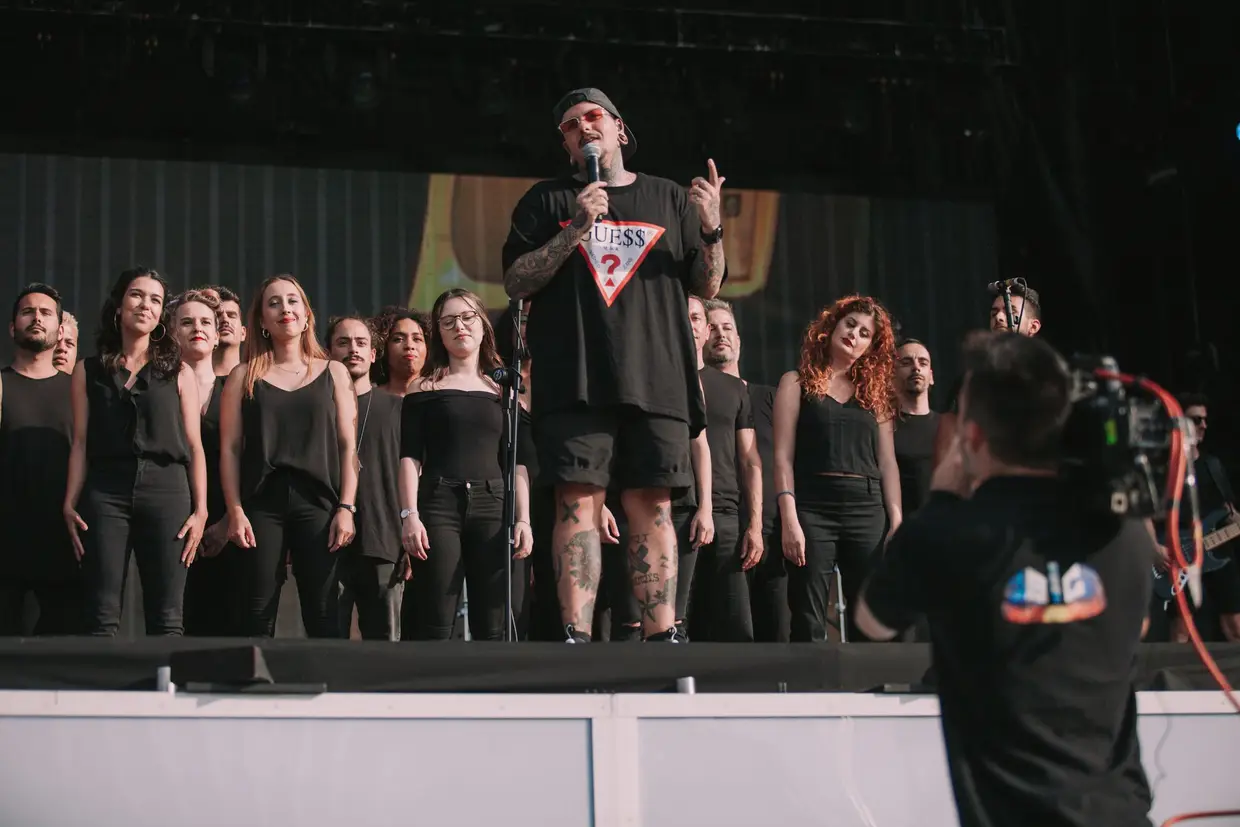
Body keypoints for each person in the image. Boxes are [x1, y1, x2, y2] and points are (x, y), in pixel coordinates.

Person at [857, 331, 1154, 827]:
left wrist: (943, 496)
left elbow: (872, 621)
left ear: (972, 437)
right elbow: (1135, 627)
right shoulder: (1123, 530)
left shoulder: (945, 532)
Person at [502, 87, 726, 642]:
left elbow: (707, 284)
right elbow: (516, 281)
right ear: (565, 145)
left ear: (620, 129)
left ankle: (662, 635)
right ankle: (575, 636)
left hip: (657, 378)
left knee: (653, 503)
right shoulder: (547, 200)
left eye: (593, 117)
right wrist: (578, 227)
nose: (583, 128)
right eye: (570, 126)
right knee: (577, 502)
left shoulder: (668, 197)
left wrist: (712, 229)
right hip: (575, 379)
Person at [64, 267, 209, 636]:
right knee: (101, 616)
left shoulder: (179, 372)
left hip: (167, 489)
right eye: (137, 295)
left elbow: (194, 445)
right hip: (105, 490)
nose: (146, 305)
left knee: (167, 616)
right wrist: (70, 501)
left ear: (161, 315)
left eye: (155, 300)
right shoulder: (87, 370)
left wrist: (201, 510)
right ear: (119, 305)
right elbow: (80, 442)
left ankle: (165, 677)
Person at [219, 274, 358, 638]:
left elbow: (347, 446)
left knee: (325, 613)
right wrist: (235, 510)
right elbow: (230, 449)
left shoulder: (334, 372)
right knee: (256, 613)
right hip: (261, 504)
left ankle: (326, 678)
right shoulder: (242, 376)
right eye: (274, 302)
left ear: (307, 315)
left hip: (320, 503)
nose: (285, 309)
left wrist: (346, 507)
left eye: (293, 300)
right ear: (262, 321)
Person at [399, 289, 534, 640]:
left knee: (494, 623)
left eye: (467, 317)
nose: (459, 326)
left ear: (483, 325)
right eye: (448, 321)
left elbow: (518, 463)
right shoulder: (423, 388)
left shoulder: (504, 391)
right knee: (435, 616)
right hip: (438, 502)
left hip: (494, 504)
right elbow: (410, 457)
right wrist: (409, 515)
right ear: (439, 333)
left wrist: (523, 519)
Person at [773, 295, 902, 642]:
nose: (854, 334)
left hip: (867, 508)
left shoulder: (876, 395)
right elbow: (782, 456)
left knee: (869, 618)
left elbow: (888, 462)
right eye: (850, 324)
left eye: (864, 333)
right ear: (832, 326)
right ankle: (811, 679)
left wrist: (896, 519)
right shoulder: (795, 383)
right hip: (813, 506)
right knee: (808, 618)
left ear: (871, 347)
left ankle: (869, 679)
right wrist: (789, 518)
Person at [703, 298, 789, 642]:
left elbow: (784, 461)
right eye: (711, 327)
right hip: (716, 531)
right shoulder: (692, 395)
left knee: (777, 638)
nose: (720, 334)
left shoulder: (770, 398)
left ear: (739, 339)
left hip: (768, 534)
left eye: (727, 327)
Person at [0, 285, 81, 635]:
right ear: (12, 327)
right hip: (6, 542)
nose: (36, 318)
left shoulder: (79, 391)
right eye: (27, 312)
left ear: (60, 330)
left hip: (65, 542)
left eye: (46, 313)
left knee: (63, 652)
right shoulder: (1, 384)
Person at [686, 295, 761, 642]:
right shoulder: (664, 379)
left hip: (726, 514)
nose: (715, 333)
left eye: (698, 319)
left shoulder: (734, 389)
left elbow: (750, 460)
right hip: (674, 507)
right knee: (676, 624)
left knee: (737, 626)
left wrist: (755, 525)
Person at [328, 315, 405, 641]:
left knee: (386, 647)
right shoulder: (319, 407)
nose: (353, 350)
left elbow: (413, 477)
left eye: (361, 343)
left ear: (374, 354)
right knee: (327, 644)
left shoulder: (398, 408)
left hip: (384, 540)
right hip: (326, 542)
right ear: (328, 353)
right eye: (343, 343)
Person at [170, 289, 238, 636]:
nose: (197, 328)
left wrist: (227, 522)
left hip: (229, 524)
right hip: (172, 522)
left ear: (215, 335)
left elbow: (252, 460)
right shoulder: (160, 391)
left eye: (206, 323)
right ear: (172, 333)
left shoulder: (237, 390)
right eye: (187, 322)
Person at [1154, 393, 1240, 642]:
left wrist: (1235, 521)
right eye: (1196, 419)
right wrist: (1155, 548)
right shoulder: (1163, 469)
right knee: (1182, 630)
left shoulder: (1213, 465)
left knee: (1235, 626)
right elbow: (1145, 515)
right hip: (1180, 555)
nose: (1203, 425)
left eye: (1204, 419)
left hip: (1219, 551)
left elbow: (1229, 510)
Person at [934, 284, 1042, 466]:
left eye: (1009, 311)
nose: (998, 317)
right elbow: (950, 435)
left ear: (1033, 326)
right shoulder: (972, 379)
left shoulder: (1046, 378)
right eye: (994, 313)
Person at [892, 339, 939, 513]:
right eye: (906, 362)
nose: (916, 367)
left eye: (923, 362)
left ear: (931, 376)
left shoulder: (949, 427)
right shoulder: (882, 428)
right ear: (890, 375)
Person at [370, 307, 430, 397]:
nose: (409, 345)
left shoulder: (441, 396)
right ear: (383, 348)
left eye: (417, 339)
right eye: (398, 339)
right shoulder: (370, 399)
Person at [205, 285, 247, 377]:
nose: (225, 319)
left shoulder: (258, 381)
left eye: (231, 315)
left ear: (243, 333)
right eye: (217, 315)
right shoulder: (187, 381)